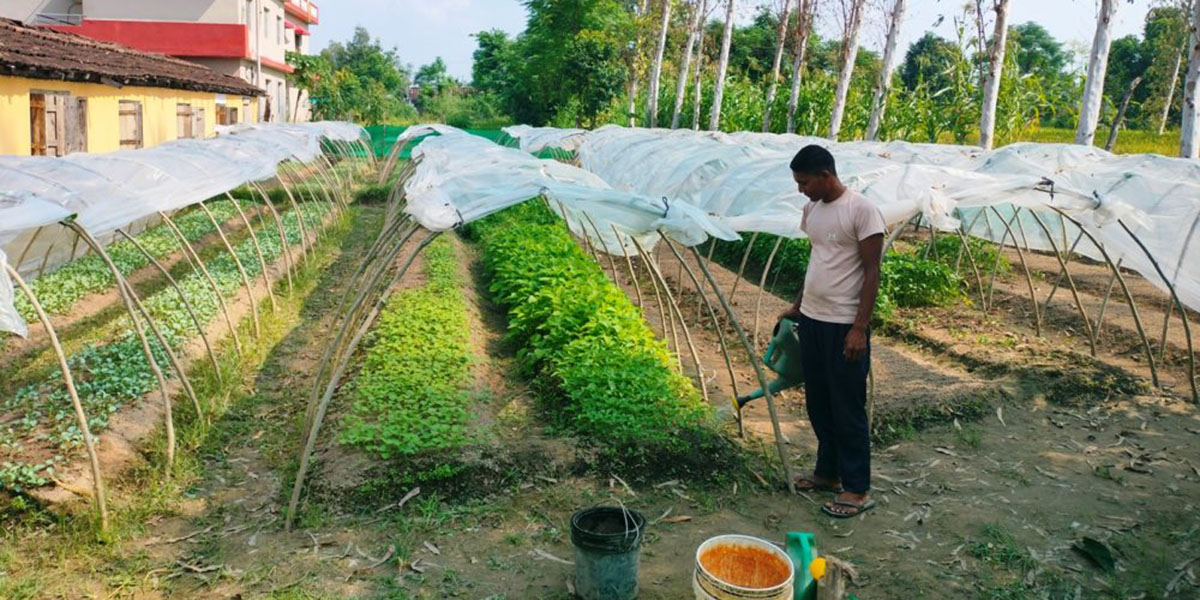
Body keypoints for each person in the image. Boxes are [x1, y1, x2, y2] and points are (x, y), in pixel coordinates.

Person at [779, 145, 885, 519]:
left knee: (847, 407)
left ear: (826, 176)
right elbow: (818, 259)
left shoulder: (862, 211)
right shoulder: (813, 210)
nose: (800, 190)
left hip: (844, 325)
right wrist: (798, 304)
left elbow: (872, 272)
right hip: (813, 319)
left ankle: (857, 489)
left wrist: (859, 327)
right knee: (819, 403)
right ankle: (828, 474)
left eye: (804, 182)